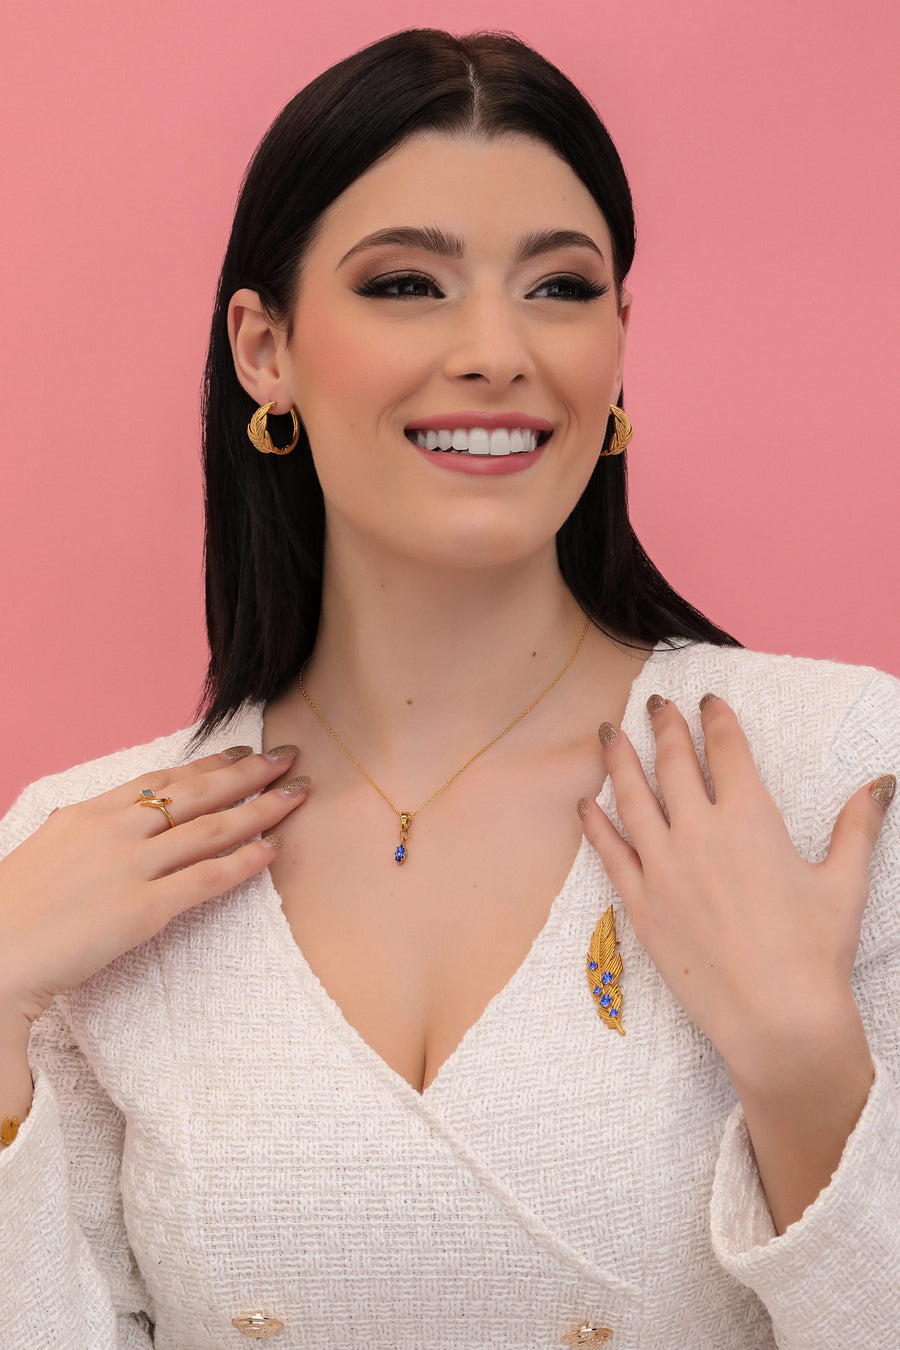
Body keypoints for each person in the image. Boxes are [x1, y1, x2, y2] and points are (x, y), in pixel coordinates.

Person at [0, 26, 897, 1350]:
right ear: (264, 347)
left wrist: (805, 1065)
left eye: (561, 287)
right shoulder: (73, 861)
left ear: (619, 340)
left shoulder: (828, 773)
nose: (495, 349)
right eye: (408, 284)